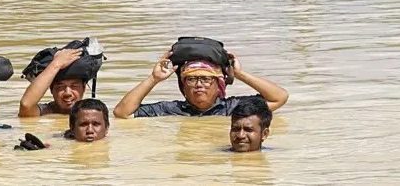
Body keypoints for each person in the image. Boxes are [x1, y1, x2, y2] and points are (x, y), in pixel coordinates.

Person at [113, 51, 288, 118]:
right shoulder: (170, 109)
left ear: (219, 84)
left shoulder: (233, 108)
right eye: (191, 79)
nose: (199, 84)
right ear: (183, 86)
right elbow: (122, 113)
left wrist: (240, 74)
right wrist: (153, 79)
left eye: (206, 79)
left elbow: (279, 98)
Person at [18, 48, 86, 116]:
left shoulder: (91, 111)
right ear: (51, 89)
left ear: (84, 88)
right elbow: (26, 105)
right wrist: (56, 64)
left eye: (74, 86)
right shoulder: (45, 112)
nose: (67, 93)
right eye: (60, 87)